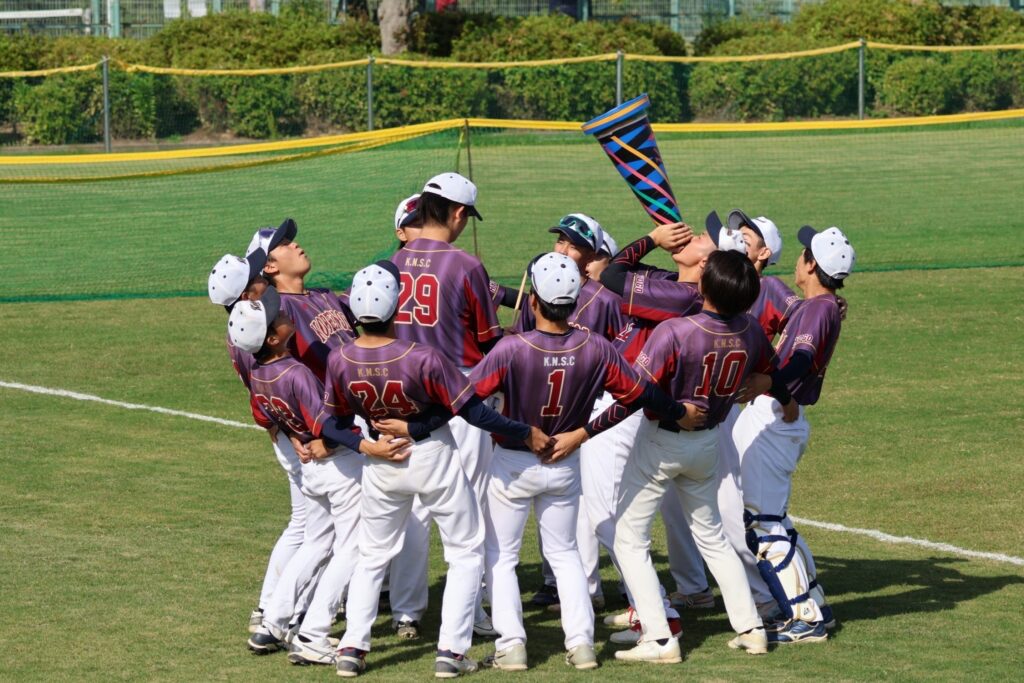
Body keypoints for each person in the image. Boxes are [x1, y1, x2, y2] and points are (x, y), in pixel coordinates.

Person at [327, 261, 551, 679]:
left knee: (372, 556)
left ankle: (352, 648)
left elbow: (328, 423)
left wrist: (366, 445)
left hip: (380, 462)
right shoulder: (423, 356)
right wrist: (525, 432)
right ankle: (451, 651)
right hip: (432, 460)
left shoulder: (340, 358)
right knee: (466, 552)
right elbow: (474, 414)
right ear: (397, 308)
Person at [469, 253, 684, 671]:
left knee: (501, 556)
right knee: (565, 554)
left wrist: (521, 431)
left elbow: (466, 404)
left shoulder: (512, 347)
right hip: (566, 463)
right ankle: (582, 644)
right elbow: (637, 396)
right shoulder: (596, 346)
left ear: (533, 301)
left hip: (513, 463)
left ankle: (512, 645)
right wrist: (584, 432)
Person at [603, 249, 792, 663]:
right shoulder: (751, 330)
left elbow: (638, 390)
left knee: (628, 537)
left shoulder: (674, 330)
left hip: (664, 440)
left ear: (704, 286)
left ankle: (658, 637)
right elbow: (774, 371)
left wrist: (586, 430)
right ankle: (751, 628)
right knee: (712, 537)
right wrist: (767, 382)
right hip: (708, 444)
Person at [236, 287, 406, 661]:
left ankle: (273, 624)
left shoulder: (259, 372)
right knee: (352, 548)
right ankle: (313, 634)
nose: (285, 317)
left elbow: (266, 418)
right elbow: (328, 426)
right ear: (274, 337)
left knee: (316, 544)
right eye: (279, 318)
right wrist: (368, 446)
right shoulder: (296, 372)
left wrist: (298, 437)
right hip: (339, 469)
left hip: (312, 471)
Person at [388, 172, 504, 637]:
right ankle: (469, 615)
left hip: (408, 398)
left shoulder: (394, 260)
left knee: (414, 506)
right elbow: (489, 339)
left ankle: (407, 611)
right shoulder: (466, 264)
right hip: (462, 397)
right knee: (468, 509)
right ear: (457, 213)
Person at [732, 225, 856, 644]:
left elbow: (801, 359)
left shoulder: (819, 309)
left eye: (805, 254)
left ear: (811, 265)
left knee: (764, 525)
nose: (799, 261)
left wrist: (773, 387)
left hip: (776, 420)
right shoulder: (819, 306)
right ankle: (813, 604)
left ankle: (805, 619)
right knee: (775, 521)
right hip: (778, 416)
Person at [208, 249, 310, 636]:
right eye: (256, 276)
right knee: (309, 527)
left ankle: (272, 607)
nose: (264, 276)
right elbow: (268, 399)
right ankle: (277, 611)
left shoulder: (242, 327)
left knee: (304, 524)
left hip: (288, 432)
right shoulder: (254, 338)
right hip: (294, 434)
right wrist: (298, 436)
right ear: (247, 293)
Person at [247, 218, 358, 383]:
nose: (295, 244)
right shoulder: (279, 310)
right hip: (331, 402)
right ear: (270, 267)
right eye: (284, 244)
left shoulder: (325, 294)